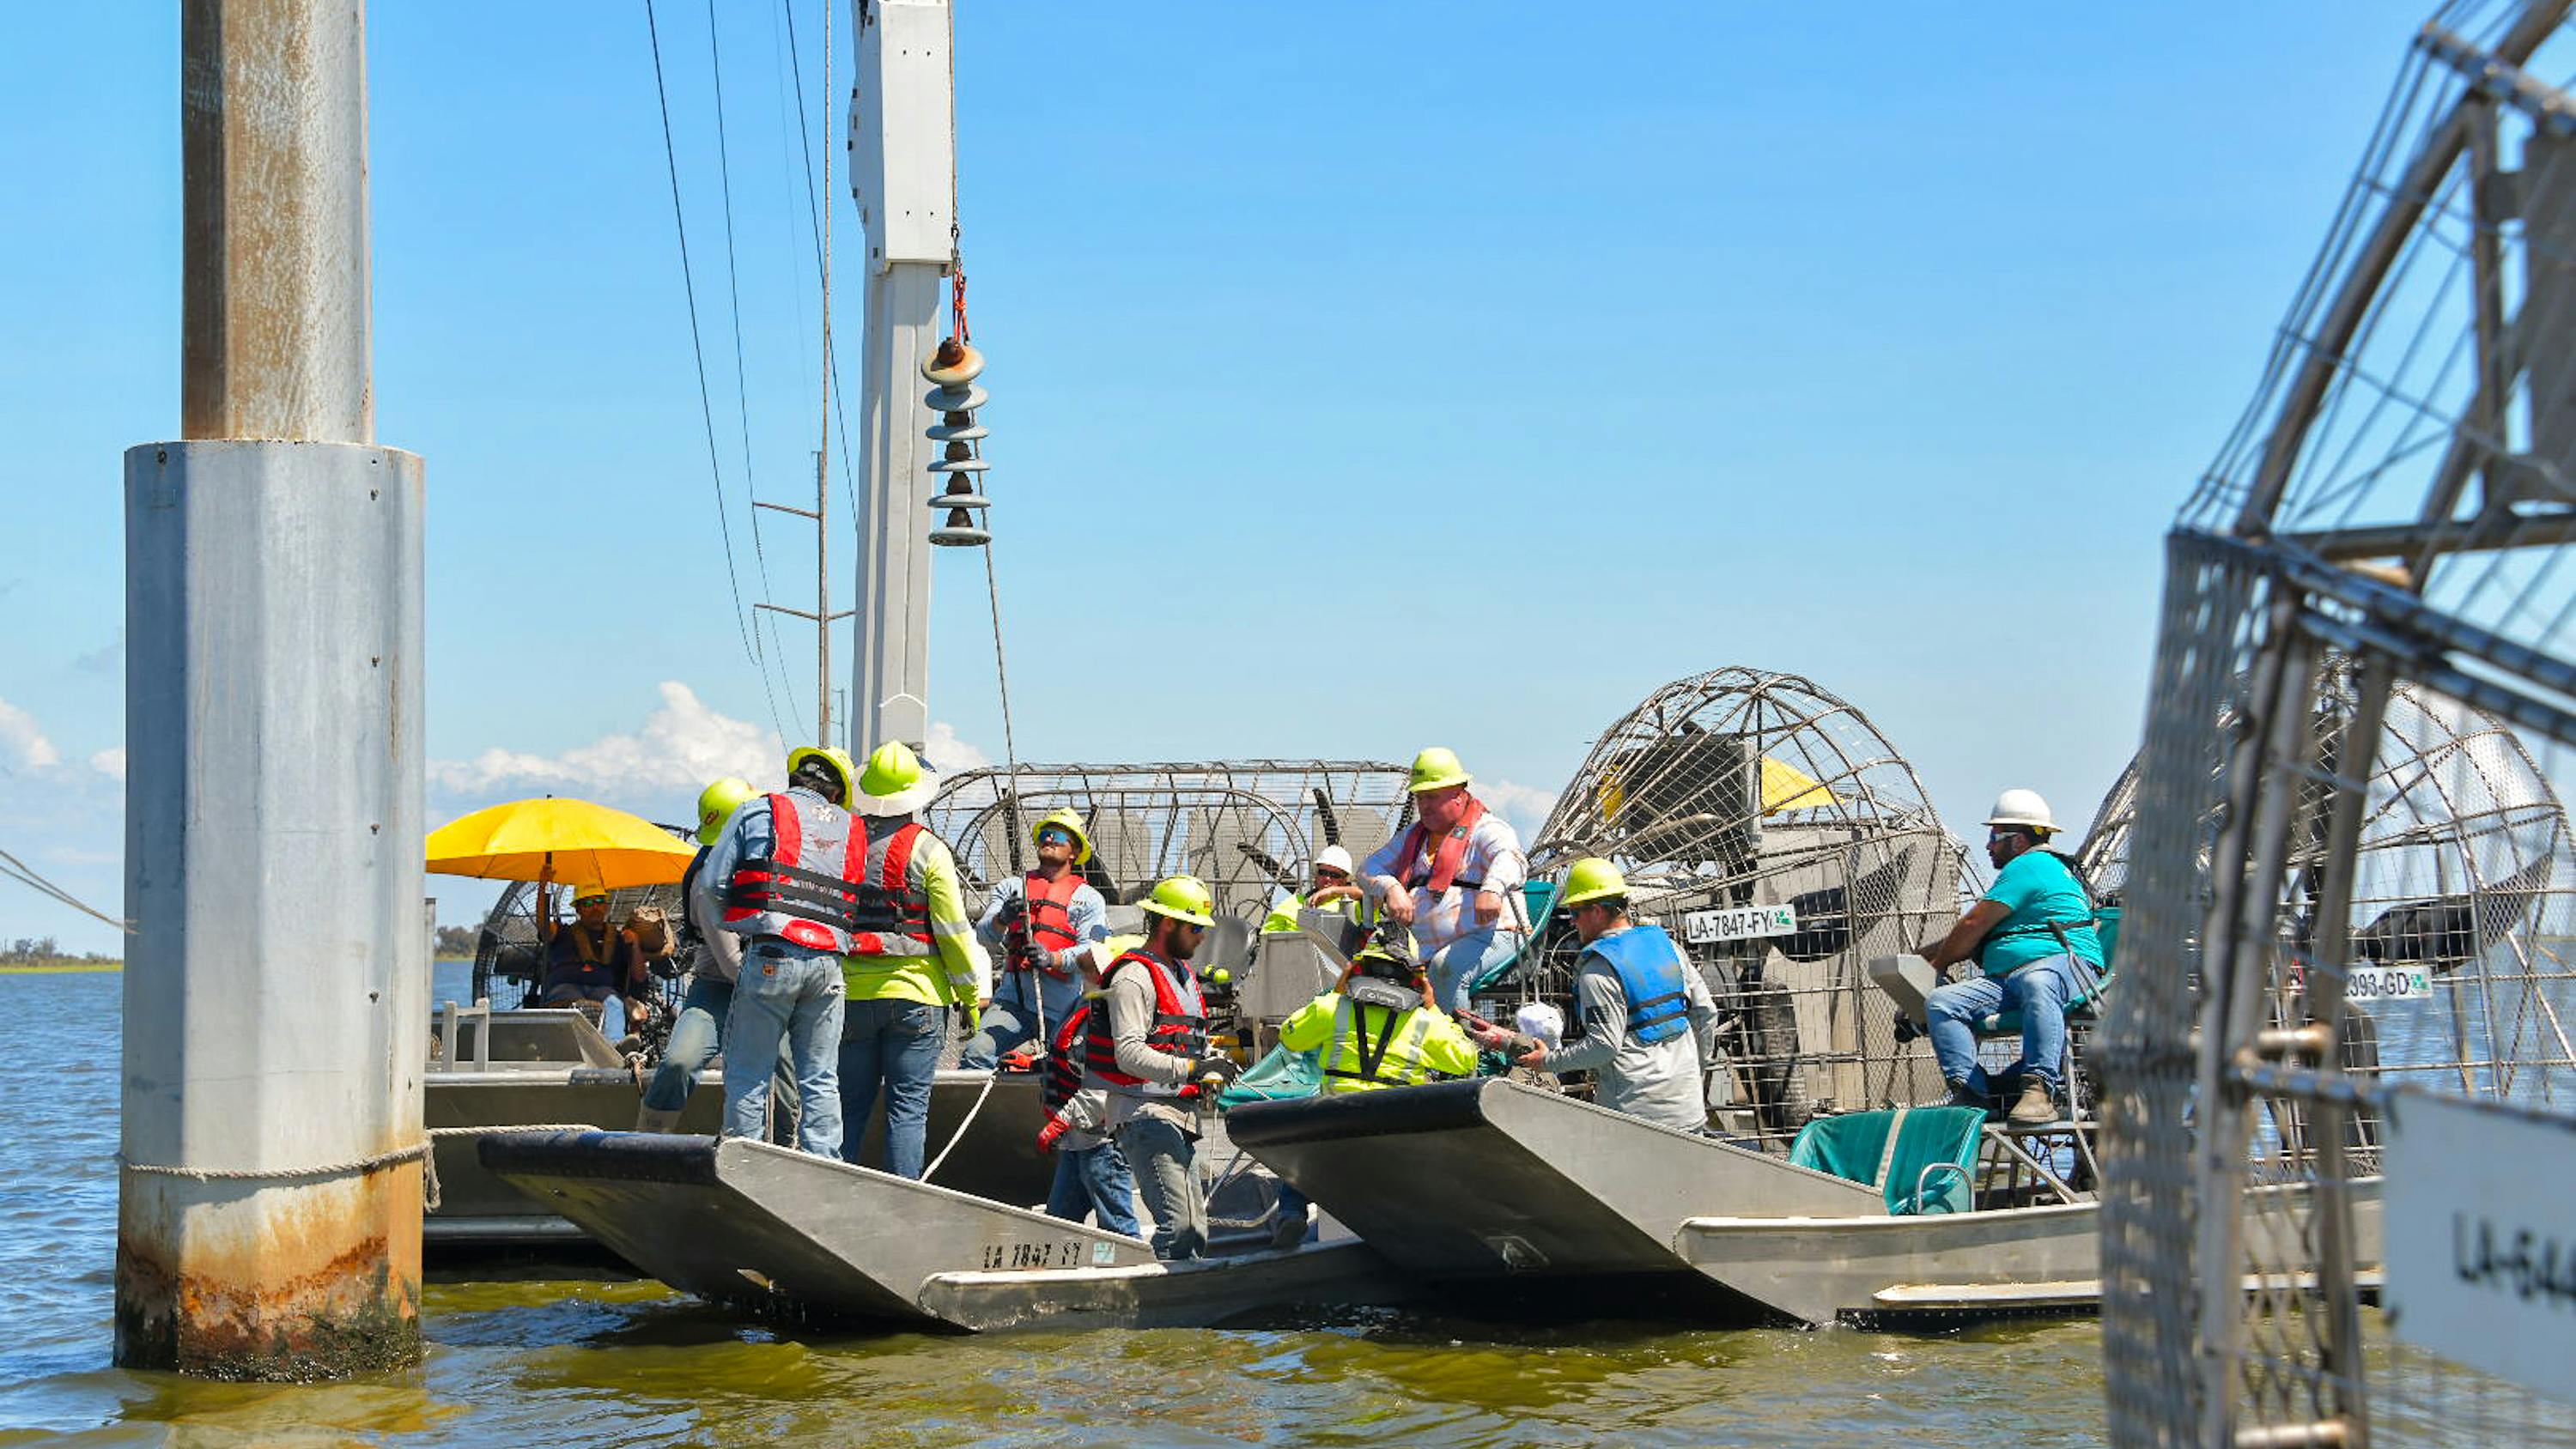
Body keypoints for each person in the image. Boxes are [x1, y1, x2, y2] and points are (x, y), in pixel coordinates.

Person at [836, 741, 992, 1179]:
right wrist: (968, 996)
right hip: (919, 998)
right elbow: (954, 932)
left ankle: (832, 1197)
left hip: (853, 996)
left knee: (849, 1109)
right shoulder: (930, 851)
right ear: (915, 795)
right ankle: (902, 1205)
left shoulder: (845, 847)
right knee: (907, 1112)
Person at [1475, 858, 1718, 1134]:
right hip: (1688, 1109)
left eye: (1576, 913)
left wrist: (1547, 1061)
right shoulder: (1670, 948)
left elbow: (1603, 1046)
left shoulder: (1598, 971)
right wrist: (1693, 1076)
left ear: (1599, 911)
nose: (1573, 922)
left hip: (1634, 1118)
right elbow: (1706, 1015)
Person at [1271, 932, 1481, 1248]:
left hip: (1334, 1132)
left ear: (1360, 967)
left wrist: (1336, 991)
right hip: (1395, 1138)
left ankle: (1292, 1213)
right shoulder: (1424, 1022)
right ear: (1414, 975)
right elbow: (1466, 1059)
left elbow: (1290, 1036)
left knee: (1298, 1154)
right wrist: (1434, 1007)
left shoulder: (1333, 1009)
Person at [706, 746, 861, 1156]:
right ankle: (823, 1167)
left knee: (748, 1072)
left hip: (771, 953)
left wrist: (737, 924)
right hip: (830, 964)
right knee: (821, 1077)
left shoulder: (757, 812)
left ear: (794, 778)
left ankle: (743, 1162)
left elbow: (711, 884)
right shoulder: (852, 827)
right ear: (834, 792)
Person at [1918, 788, 2106, 1127]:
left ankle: (2038, 1089)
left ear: (2017, 840)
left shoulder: (2030, 865)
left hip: (2065, 966)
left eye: (1994, 836)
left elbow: (1973, 924)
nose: (1988, 845)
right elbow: (1978, 931)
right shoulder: (2034, 871)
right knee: (1942, 1002)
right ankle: (1974, 1096)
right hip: (2010, 978)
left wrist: (1937, 964)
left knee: (2038, 981)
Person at [1082, 875, 1238, 1259]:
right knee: (1179, 1228)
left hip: (1179, 1115)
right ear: (1168, 924)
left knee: (1196, 1230)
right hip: (1144, 1114)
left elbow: (1179, 1042)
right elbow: (1129, 1054)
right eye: (1195, 928)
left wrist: (1210, 1063)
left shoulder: (1181, 975)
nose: (1202, 937)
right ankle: (1145, 1301)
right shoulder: (1133, 977)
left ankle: (1181, 1300)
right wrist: (1193, 1069)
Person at [635, 775, 759, 1132]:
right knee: (678, 1063)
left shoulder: (770, 866)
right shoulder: (707, 881)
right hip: (719, 987)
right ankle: (649, 1139)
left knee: (784, 1074)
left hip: (766, 987)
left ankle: (783, 1149)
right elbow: (730, 962)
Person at [1362, 748, 1530, 1011]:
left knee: (1445, 968)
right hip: (1425, 945)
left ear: (1459, 794)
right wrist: (1391, 887)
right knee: (1372, 968)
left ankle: (1456, 1044)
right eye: (1420, 798)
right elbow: (1368, 867)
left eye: (1432, 797)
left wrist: (1492, 888)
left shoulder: (1486, 829)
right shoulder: (1413, 837)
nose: (1424, 806)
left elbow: (1511, 857)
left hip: (1489, 934)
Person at [960, 808, 1109, 1070]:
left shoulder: (1089, 899)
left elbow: (1093, 952)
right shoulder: (1012, 888)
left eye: (1058, 836)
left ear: (1074, 851)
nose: (1049, 840)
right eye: (1046, 835)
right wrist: (1002, 918)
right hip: (1012, 1002)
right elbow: (984, 936)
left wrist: (1052, 958)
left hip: (1061, 1011)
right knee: (977, 1053)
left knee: (1063, 1070)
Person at [1032, 933, 1145, 1237]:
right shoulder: (1084, 1006)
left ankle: (1123, 1271)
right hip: (1078, 1141)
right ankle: (1062, 1272)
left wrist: (1059, 1123)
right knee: (1059, 1224)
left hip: (1102, 1145)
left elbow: (1105, 1087)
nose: (1087, 965)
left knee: (1117, 1227)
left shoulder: (1109, 1020)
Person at [536, 881, 647, 1016]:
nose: (595, 907)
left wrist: (635, 944)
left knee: (614, 1005)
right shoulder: (562, 932)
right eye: (588, 903)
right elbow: (543, 925)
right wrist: (543, 887)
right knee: (574, 1005)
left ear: (606, 907)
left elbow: (639, 977)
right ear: (578, 909)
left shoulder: (618, 938)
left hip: (603, 990)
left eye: (600, 901)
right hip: (565, 988)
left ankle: (616, 1038)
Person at [1260, 843, 1364, 935]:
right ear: (1316, 874)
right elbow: (1268, 939)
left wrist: (1332, 891)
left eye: (1334, 875)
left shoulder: (1353, 904)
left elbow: (1372, 894)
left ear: (1345, 880)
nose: (1327, 878)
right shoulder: (1293, 902)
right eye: (1323, 873)